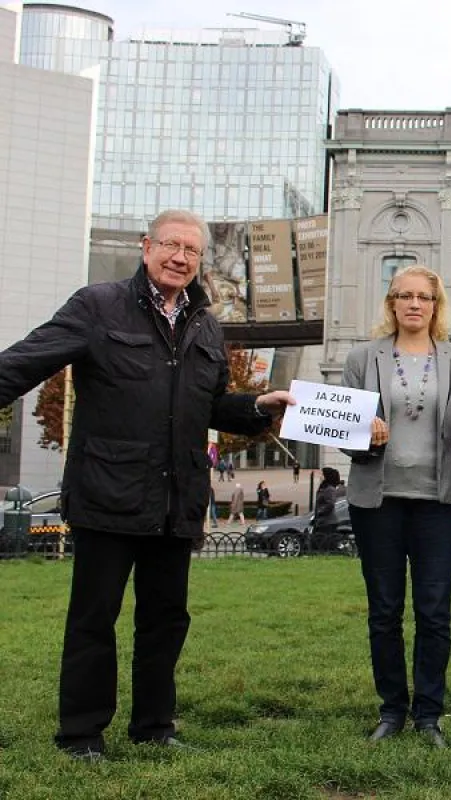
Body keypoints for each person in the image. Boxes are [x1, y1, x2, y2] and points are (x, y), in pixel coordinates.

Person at [0, 209, 294, 760]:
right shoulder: (97, 306)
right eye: (170, 245)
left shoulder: (206, 323)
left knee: (165, 621)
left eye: (192, 251)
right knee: (94, 620)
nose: (180, 257)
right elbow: (22, 363)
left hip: (176, 500)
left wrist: (257, 406)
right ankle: (82, 734)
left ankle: (155, 726)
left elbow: (210, 406)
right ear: (146, 247)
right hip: (107, 495)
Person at [342, 265, 451, 749]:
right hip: (377, 500)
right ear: (391, 304)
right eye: (403, 296)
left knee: (434, 612)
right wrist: (362, 432)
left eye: (423, 297)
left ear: (435, 305)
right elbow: (340, 430)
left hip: (437, 501)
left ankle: (430, 715)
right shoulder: (362, 358)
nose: (413, 304)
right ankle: (391, 711)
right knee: (384, 611)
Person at [314, 467, 341, 531]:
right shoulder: (323, 487)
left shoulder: (330, 489)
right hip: (321, 522)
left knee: (324, 540)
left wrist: (320, 512)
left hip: (328, 523)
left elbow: (330, 504)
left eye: (322, 474)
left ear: (327, 476)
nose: (321, 476)